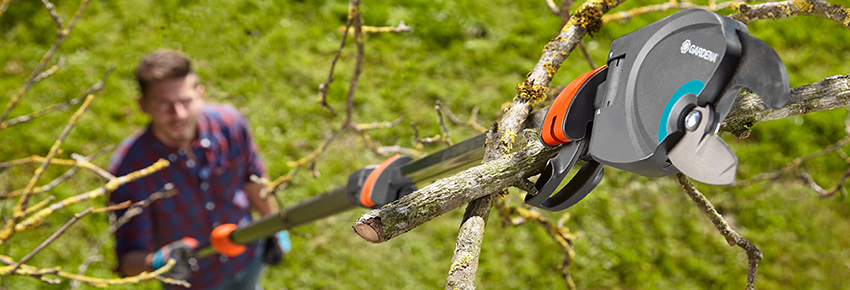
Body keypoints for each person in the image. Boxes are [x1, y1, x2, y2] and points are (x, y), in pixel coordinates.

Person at [108, 50, 289, 290]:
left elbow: (253, 178)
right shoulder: (130, 171)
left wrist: (273, 225)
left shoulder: (230, 125)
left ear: (200, 94)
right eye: (165, 104)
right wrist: (158, 262)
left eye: (185, 101)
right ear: (143, 105)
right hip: (193, 282)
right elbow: (128, 258)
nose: (179, 114)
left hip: (246, 256)